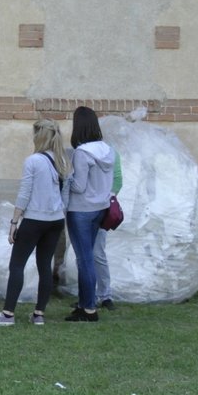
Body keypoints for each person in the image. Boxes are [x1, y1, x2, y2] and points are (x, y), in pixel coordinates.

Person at [0, 119, 70, 326]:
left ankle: (8, 314)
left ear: (38, 136)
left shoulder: (33, 161)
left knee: (17, 264)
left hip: (34, 219)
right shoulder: (63, 160)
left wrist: (14, 221)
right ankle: (39, 314)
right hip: (56, 220)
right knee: (45, 266)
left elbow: (24, 193)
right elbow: (65, 193)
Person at [64, 105, 115, 323]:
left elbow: (79, 186)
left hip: (81, 210)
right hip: (100, 208)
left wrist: (66, 177)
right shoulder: (108, 150)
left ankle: (89, 309)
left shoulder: (82, 153)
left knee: (84, 259)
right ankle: (85, 303)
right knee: (89, 257)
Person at [93, 144, 123, 309]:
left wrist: (109, 199)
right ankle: (88, 295)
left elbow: (118, 180)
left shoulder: (111, 152)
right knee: (83, 255)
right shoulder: (81, 152)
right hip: (84, 209)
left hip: (100, 210)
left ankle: (104, 295)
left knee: (98, 253)